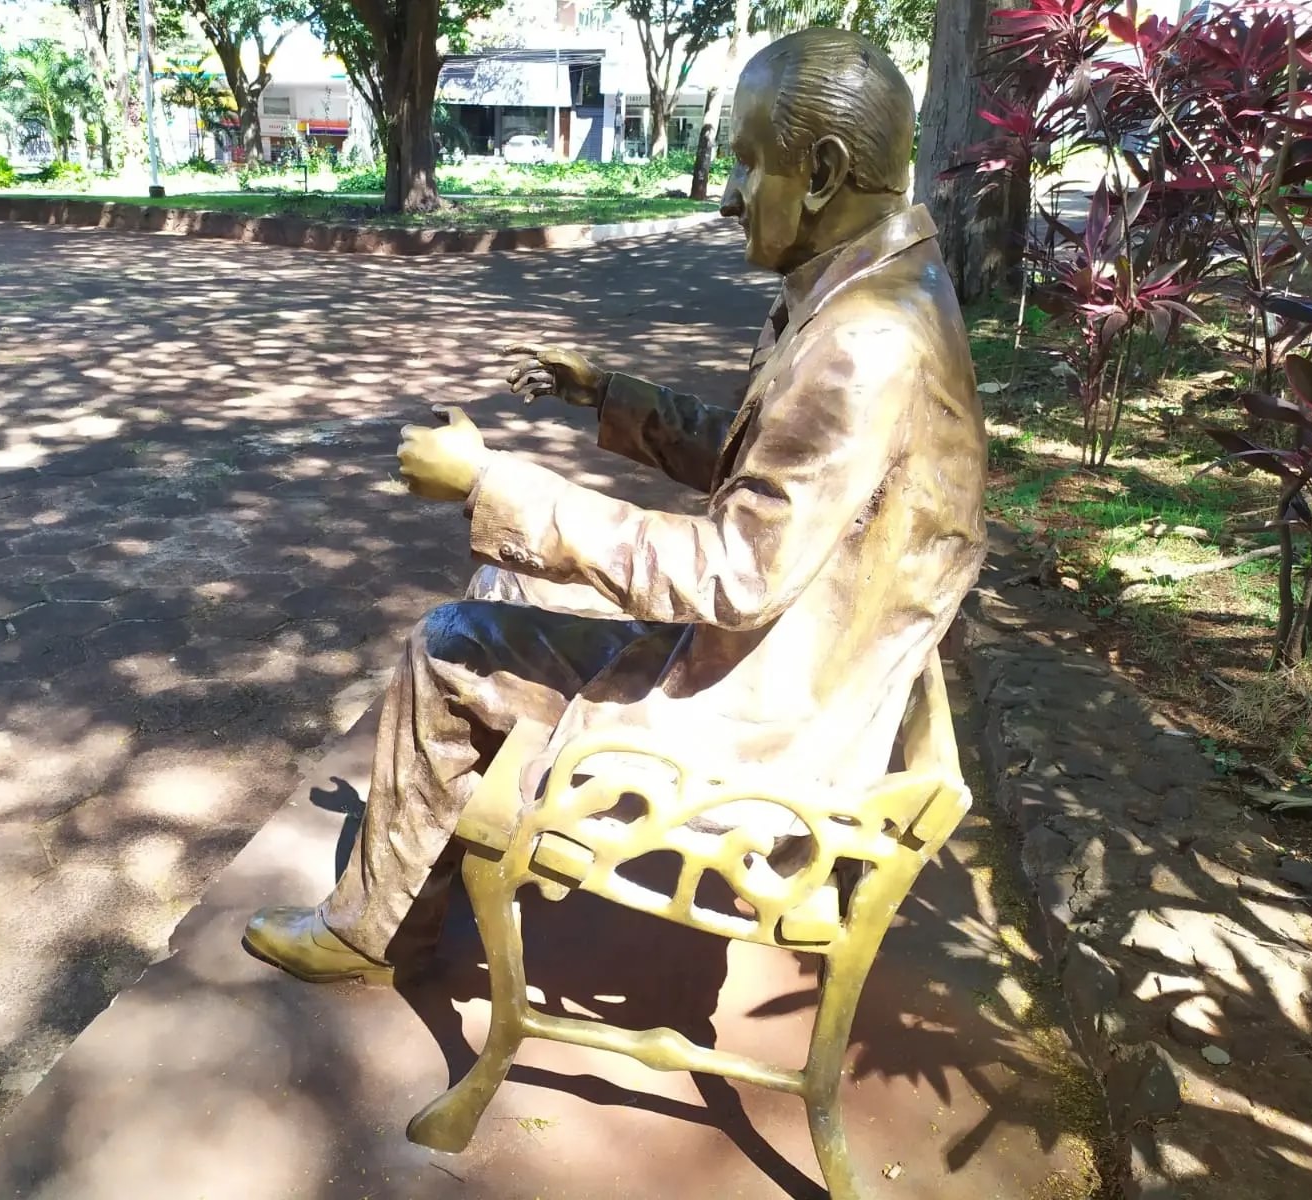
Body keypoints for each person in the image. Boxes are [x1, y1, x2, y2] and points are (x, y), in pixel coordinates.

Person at [244, 26, 987, 985]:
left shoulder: (864, 342)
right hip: (798, 662)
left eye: (748, 164)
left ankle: (371, 934)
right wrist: (612, 395)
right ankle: (414, 886)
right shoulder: (882, 293)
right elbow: (771, 474)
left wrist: (489, 482)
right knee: (501, 576)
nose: (727, 197)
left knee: (446, 643)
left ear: (824, 170)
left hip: (762, 716)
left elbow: (735, 572)